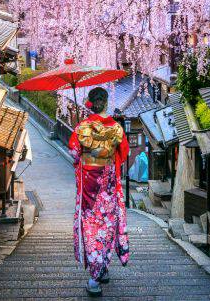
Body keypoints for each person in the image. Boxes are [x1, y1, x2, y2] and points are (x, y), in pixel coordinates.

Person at [68, 87, 130, 297]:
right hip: (109, 182)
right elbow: (123, 152)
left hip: (89, 184)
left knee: (92, 226)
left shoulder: (82, 127)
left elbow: (75, 154)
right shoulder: (116, 127)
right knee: (108, 223)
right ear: (106, 103)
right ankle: (102, 268)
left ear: (90, 103)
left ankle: (94, 279)